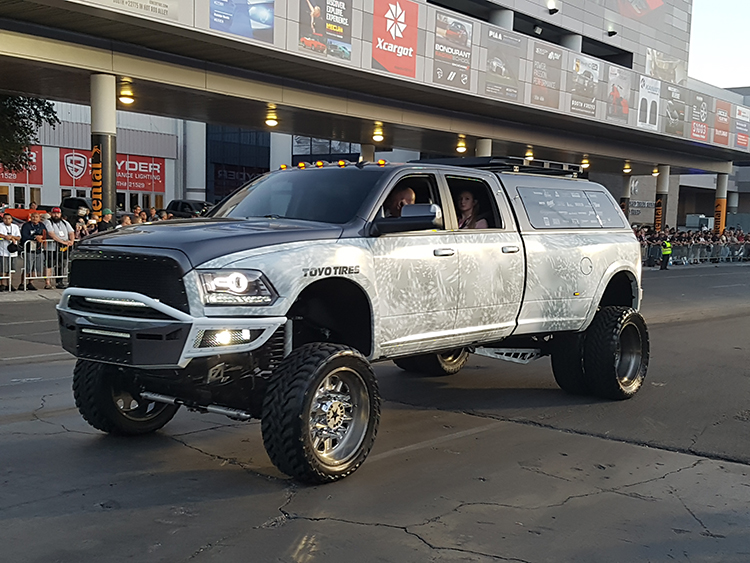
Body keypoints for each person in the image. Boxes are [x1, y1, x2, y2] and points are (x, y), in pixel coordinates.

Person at [43, 207, 74, 289]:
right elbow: (51, 234)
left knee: (61, 264)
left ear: (60, 214)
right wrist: (62, 241)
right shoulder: (48, 222)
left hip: (63, 248)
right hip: (51, 248)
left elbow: (71, 232)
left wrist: (71, 241)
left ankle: (59, 281)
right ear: (51, 214)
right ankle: (47, 282)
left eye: (58, 213)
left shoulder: (65, 222)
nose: (56, 215)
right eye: (54, 213)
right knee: (49, 265)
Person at [20, 211, 46, 290]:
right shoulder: (26, 225)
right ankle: (22, 283)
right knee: (28, 267)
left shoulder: (42, 225)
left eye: (36, 217)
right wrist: (35, 238)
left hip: (38, 249)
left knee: (35, 268)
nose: (35, 218)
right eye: (33, 217)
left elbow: (45, 234)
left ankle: (31, 282)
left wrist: (41, 237)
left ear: (39, 218)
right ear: (30, 218)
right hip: (29, 249)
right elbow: (24, 236)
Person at [0, 212, 22, 292]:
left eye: (9, 219)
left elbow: (18, 237)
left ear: (11, 219)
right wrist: (5, 236)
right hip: (3, 251)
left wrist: (12, 237)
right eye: (5, 219)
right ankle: (2, 284)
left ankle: (10, 283)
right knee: (3, 269)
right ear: (3, 219)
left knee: (12, 269)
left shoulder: (15, 227)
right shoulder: (0, 226)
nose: (7, 220)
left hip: (13, 252)